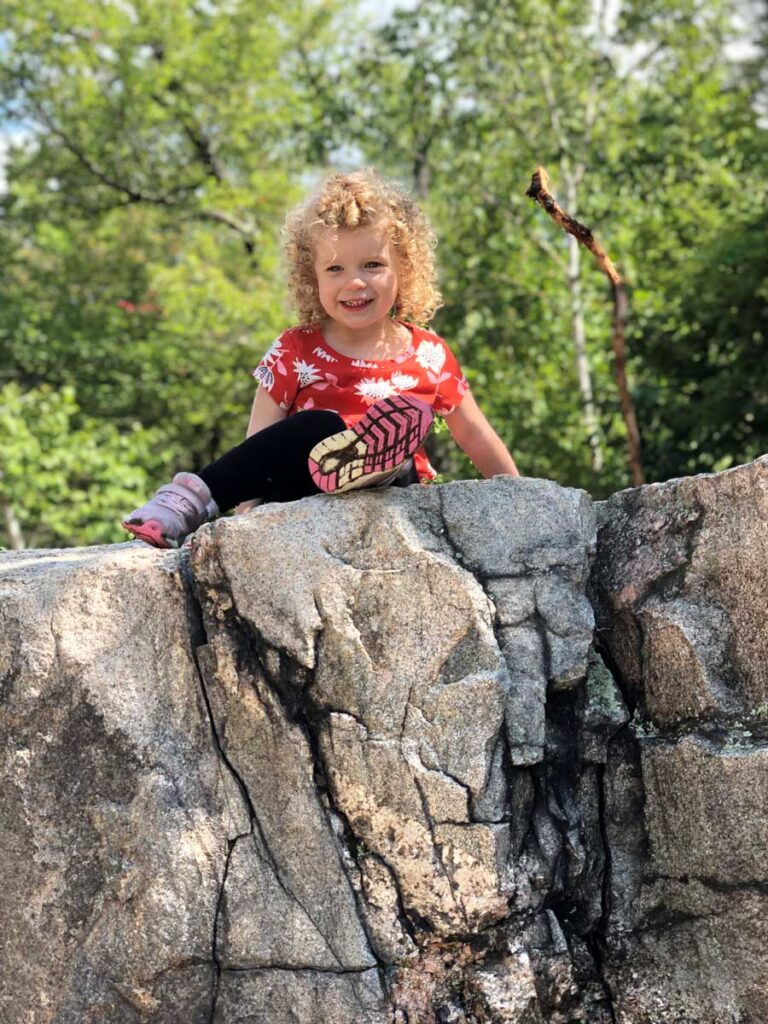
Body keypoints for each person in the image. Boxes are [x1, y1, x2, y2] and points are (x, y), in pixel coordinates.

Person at [122, 168, 519, 548]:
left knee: (405, 435)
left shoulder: (428, 354)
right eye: (335, 268)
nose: (355, 281)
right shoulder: (296, 349)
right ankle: (188, 501)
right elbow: (259, 447)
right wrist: (247, 524)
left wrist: (521, 499)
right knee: (320, 426)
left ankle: (382, 466)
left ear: (405, 269)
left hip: (395, 504)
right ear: (313, 278)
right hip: (301, 496)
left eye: (373, 265)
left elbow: (474, 434)